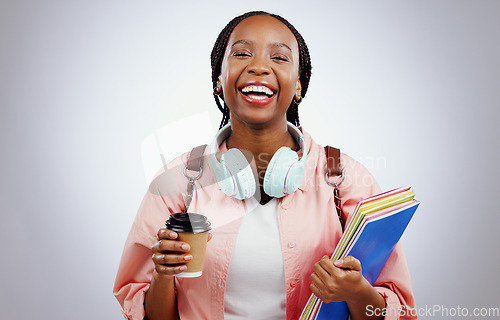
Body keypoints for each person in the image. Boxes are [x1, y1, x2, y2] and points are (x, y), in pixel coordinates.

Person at [113, 11, 416, 320]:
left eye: (280, 58)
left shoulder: (344, 179)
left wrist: (357, 292)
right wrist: (163, 275)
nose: (258, 66)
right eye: (242, 53)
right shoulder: (178, 183)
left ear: (299, 85)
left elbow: (398, 311)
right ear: (218, 80)